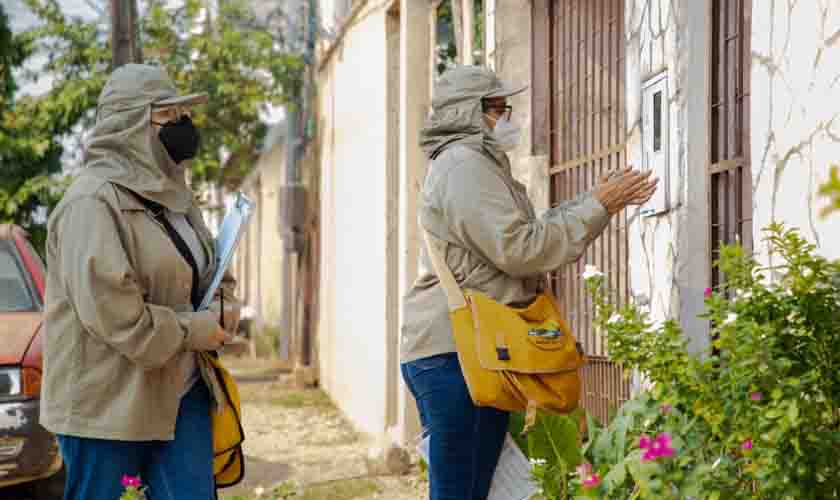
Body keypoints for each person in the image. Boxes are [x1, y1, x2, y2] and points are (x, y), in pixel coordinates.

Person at [400, 66, 658, 500]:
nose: (508, 119)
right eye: (500, 109)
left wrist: (591, 202)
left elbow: (524, 234)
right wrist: (598, 206)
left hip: (471, 350)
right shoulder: (464, 166)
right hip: (456, 354)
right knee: (460, 491)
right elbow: (520, 250)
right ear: (471, 112)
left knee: (473, 489)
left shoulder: (473, 164)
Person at [41, 64, 240, 500]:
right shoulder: (91, 204)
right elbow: (119, 318)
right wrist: (196, 329)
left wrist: (225, 306)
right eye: (168, 118)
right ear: (131, 126)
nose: (184, 128)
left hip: (180, 395)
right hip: (107, 410)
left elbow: (210, 269)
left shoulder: (177, 199)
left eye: (183, 116)